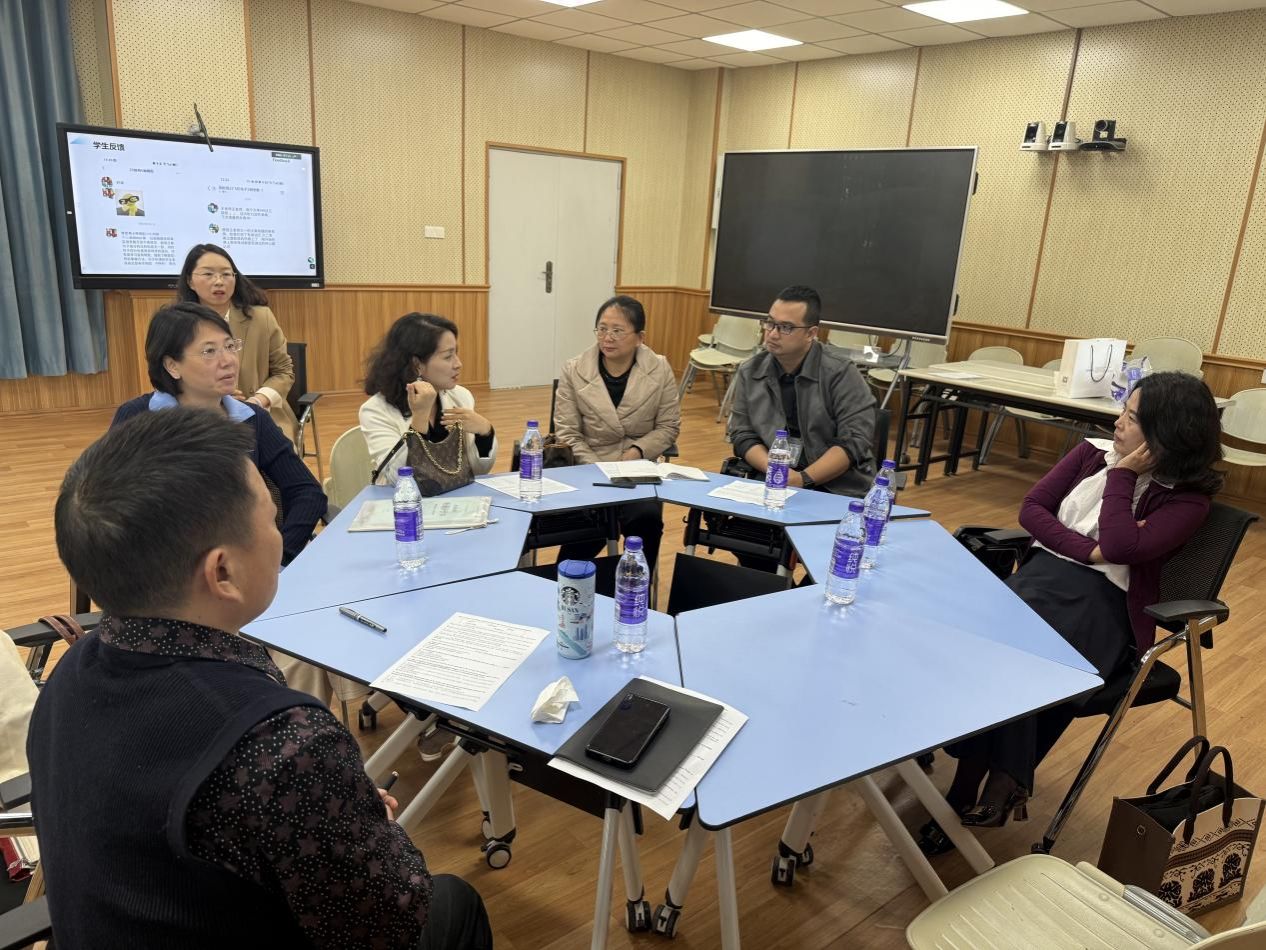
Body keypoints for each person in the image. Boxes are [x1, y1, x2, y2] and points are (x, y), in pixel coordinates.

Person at [28, 408, 493, 948]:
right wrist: (371, 828)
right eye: (273, 521)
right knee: (455, 902)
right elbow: (392, 923)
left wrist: (332, 808)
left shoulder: (68, 675)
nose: (283, 536)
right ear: (222, 571)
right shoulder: (283, 744)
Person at [920, 372, 1224, 855]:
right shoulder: (1089, 454)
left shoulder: (1186, 500)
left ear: (1166, 433)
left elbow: (1121, 546)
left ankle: (970, 791)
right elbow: (1032, 509)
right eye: (1123, 410)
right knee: (997, 647)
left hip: (1105, 606)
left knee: (1020, 657)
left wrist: (1124, 476)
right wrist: (1088, 550)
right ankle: (1000, 781)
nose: (1118, 422)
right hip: (1042, 579)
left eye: (1132, 417)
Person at [112, 302, 326, 568]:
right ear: (172, 365)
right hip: (167, 575)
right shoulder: (137, 418)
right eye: (209, 351)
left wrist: (278, 559)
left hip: (248, 570)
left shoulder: (252, 418)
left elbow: (307, 492)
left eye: (230, 346)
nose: (228, 361)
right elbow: (111, 510)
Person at [554, 295, 680, 567]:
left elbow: (668, 426)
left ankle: (637, 585)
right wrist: (598, 467)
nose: (607, 338)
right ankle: (571, 583)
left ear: (639, 337)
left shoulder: (659, 368)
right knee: (582, 534)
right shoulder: (574, 369)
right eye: (602, 329)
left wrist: (636, 451)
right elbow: (567, 432)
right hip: (589, 467)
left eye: (617, 331)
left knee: (646, 519)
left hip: (637, 468)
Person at [728, 285, 876, 498]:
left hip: (835, 485)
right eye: (770, 323)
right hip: (770, 476)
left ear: (811, 333)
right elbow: (742, 434)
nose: (773, 334)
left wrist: (803, 479)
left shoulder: (840, 373)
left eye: (786, 327)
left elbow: (854, 441)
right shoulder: (751, 370)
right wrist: (775, 471)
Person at [177, 243, 300, 444]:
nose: (219, 281)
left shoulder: (261, 318)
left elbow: (284, 371)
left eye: (226, 274)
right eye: (208, 274)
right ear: (190, 281)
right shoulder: (178, 324)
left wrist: (257, 400)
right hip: (200, 417)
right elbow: (170, 378)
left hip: (261, 412)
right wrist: (215, 398)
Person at [360, 312, 497, 489]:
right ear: (417, 365)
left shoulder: (460, 397)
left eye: (456, 353)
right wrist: (420, 417)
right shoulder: (376, 410)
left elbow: (478, 471)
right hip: (404, 502)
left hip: (455, 496)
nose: (458, 364)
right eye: (448, 356)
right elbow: (397, 478)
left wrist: (485, 433)